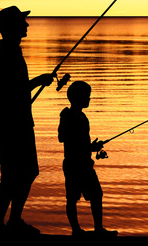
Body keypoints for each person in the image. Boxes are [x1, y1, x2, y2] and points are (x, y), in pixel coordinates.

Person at [0, 6, 54, 235]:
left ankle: (13, 221)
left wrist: (36, 84)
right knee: (12, 177)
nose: (27, 25)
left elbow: (14, 93)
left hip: (17, 123)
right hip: (10, 126)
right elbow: (12, 92)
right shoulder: (7, 52)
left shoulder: (11, 50)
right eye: (22, 22)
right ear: (11, 26)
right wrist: (38, 80)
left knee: (26, 173)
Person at [58, 81, 118, 237]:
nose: (89, 99)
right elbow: (64, 138)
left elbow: (71, 140)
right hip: (76, 164)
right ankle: (79, 230)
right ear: (79, 98)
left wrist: (91, 147)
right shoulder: (70, 116)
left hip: (80, 162)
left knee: (92, 195)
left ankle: (92, 229)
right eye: (87, 96)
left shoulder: (77, 116)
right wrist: (91, 148)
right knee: (76, 197)